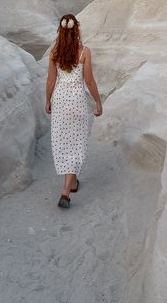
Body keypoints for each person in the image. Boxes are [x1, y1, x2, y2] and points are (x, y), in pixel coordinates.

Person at [45, 13, 103, 208]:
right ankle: (66, 190)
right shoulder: (84, 52)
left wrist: (48, 100)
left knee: (64, 141)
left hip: (60, 100)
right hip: (77, 101)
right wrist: (98, 102)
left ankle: (71, 184)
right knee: (76, 142)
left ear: (60, 31)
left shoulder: (54, 52)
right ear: (76, 30)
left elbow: (51, 80)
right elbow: (89, 81)